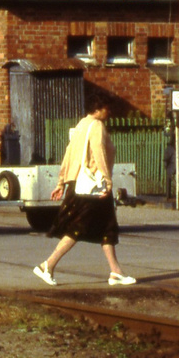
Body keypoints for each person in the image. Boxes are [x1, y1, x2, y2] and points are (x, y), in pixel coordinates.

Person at [32, 94, 135, 287]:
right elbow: (99, 153)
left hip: (79, 185)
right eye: (107, 108)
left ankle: (116, 271)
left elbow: (68, 154)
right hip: (93, 188)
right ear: (99, 107)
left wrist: (61, 182)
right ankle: (48, 264)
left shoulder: (81, 125)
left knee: (107, 228)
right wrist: (107, 180)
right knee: (77, 228)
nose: (109, 112)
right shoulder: (96, 126)